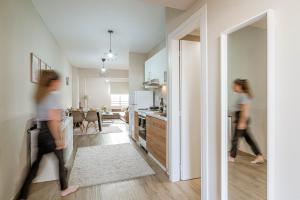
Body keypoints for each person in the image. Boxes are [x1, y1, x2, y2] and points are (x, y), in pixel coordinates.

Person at [18, 70, 78, 199]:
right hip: (50, 134)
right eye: (58, 81)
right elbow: (52, 120)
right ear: (53, 82)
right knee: (61, 161)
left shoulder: (39, 96)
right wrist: (58, 138)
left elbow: (43, 118)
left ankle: (22, 195)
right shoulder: (53, 95)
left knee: (35, 166)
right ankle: (64, 189)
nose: (59, 84)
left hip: (41, 134)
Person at [228, 79, 264, 164]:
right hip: (241, 118)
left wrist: (242, 122)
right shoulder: (243, 95)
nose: (233, 87)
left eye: (234, 85)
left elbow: (245, 110)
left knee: (235, 139)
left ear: (239, 86)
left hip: (242, 119)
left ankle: (232, 157)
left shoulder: (243, 96)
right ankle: (259, 156)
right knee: (249, 139)